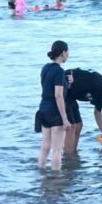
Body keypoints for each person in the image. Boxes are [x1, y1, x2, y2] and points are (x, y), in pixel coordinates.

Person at [36, 41, 72, 171]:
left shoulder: (45, 68)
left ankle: (41, 173)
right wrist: (64, 119)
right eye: (67, 52)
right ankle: (56, 179)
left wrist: (67, 84)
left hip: (43, 109)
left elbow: (48, 88)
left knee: (45, 147)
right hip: (55, 112)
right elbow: (58, 95)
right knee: (57, 149)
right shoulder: (59, 71)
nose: (68, 55)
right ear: (63, 53)